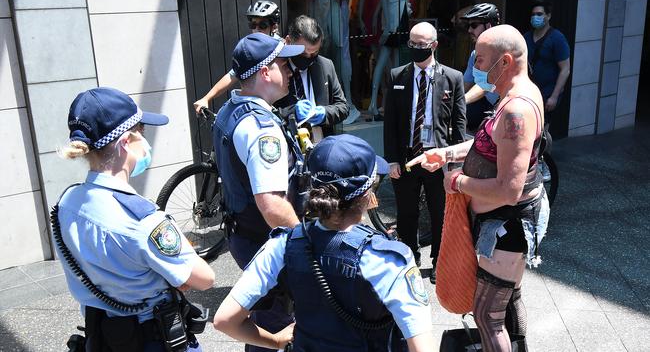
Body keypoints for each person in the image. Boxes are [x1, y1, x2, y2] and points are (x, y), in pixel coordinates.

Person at [213, 134, 435, 352]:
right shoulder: (390, 259)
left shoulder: (282, 245)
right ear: (367, 194)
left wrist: (276, 341)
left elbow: (224, 320)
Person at [407, 24, 550, 352]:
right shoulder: (512, 98)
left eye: (482, 61)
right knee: (508, 300)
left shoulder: (515, 110)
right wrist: (445, 153)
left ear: (506, 61)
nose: (477, 69)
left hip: (507, 225)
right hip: (504, 223)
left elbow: (508, 189)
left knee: (488, 315)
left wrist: (457, 181)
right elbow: (489, 146)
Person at [56, 87, 216, 351]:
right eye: (141, 131)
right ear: (125, 143)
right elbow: (204, 278)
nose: (146, 141)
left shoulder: (67, 202)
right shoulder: (143, 220)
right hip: (152, 339)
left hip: (102, 339)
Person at [212, 32, 306, 352]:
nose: (291, 70)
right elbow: (272, 206)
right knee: (279, 325)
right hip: (266, 242)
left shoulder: (230, 109)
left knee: (265, 317)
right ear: (266, 72)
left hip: (242, 234)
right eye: (284, 64)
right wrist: (310, 241)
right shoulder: (261, 128)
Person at [383, 21, 466, 282]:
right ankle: (410, 259)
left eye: (422, 44)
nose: (417, 48)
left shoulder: (453, 77)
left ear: (434, 45)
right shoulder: (398, 75)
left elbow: (459, 122)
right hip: (408, 156)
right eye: (413, 44)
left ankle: (439, 262)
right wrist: (392, 160)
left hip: (436, 157)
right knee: (406, 213)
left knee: (440, 212)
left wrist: (454, 163)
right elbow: (391, 123)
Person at [193, 0, 282, 114]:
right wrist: (206, 98)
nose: (256, 29)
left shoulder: (282, 47)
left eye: (263, 25)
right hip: (262, 107)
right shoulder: (252, 49)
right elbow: (232, 75)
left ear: (273, 27)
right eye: (253, 25)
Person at [274, 15, 349, 140]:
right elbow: (266, 112)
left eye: (314, 53)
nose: (308, 58)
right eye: (302, 53)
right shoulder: (276, 70)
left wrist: (324, 113)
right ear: (288, 41)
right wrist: (292, 112)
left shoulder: (325, 65)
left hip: (321, 139)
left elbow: (343, 107)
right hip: (287, 142)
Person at [523, 0, 570, 127]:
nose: (535, 17)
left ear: (548, 16)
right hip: (530, 92)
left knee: (541, 128)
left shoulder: (557, 38)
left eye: (539, 14)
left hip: (547, 93)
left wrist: (554, 96)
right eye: (533, 15)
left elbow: (565, 69)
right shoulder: (526, 37)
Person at [460, 3, 501, 133]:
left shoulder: (502, 51)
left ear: (488, 26)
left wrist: (461, 101)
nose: (469, 30)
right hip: (489, 103)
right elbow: (466, 83)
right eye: (468, 26)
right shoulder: (475, 54)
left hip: (509, 105)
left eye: (474, 25)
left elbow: (485, 85)